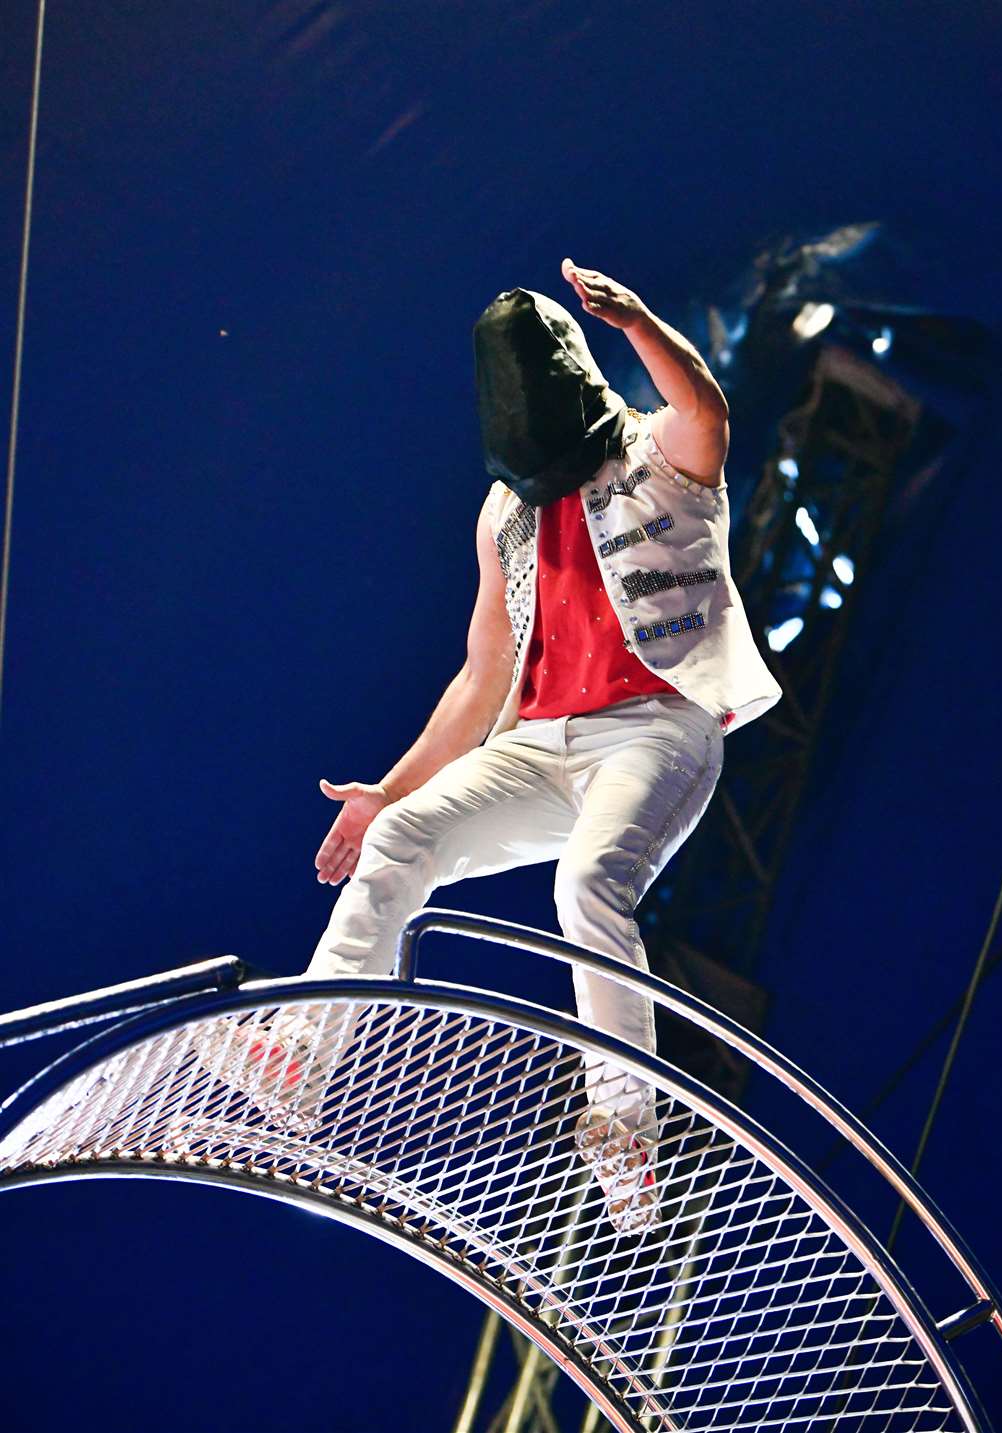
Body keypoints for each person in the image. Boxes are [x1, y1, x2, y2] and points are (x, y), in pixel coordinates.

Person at [213, 260, 783, 1233]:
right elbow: (481, 674)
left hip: (654, 729)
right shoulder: (505, 509)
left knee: (590, 883)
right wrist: (385, 790)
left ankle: (624, 1132)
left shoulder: (655, 453)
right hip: (540, 741)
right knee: (401, 838)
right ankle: (302, 1053)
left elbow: (708, 408)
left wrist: (639, 322)